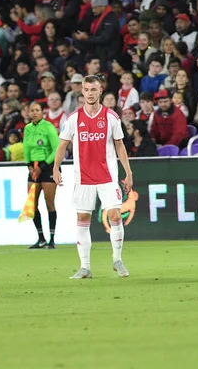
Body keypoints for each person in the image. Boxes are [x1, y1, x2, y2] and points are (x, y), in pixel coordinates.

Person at [53, 75, 133, 279]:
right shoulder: (73, 118)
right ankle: (85, 267)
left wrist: (128, 172)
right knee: (82, 218)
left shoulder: (111, 117)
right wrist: (56, 168)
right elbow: (62, 145)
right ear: (82, 91)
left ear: (100, 91)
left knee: (115, 215)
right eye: (86, 89)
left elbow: (119, 145)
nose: (90, 93)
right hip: (83, 178)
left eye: (93, 89)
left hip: (107, 176)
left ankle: (117, 260)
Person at [23, 101, 60, 249]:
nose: (34, 112)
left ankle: (52, 238)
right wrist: (29, 166)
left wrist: (43, 166)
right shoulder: (27, 128)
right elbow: (26, 147)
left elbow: (56, 148)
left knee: (49, 203)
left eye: (37, 110)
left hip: (48, 167)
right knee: (32, 204)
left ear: (42, 112)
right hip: (34, 167)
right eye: (32, 110)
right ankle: (41, 238)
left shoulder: (48, 127)